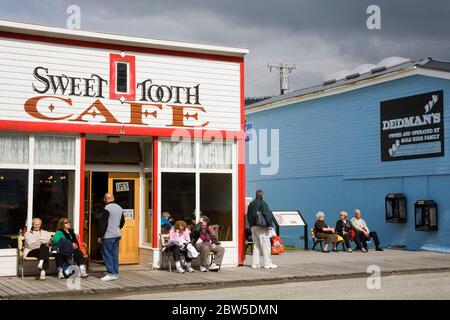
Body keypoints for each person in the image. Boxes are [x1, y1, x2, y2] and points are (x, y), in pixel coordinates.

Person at [97, 192, 125, 281]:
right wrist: (116, 228)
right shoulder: (119, 208)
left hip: (109, 235)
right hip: (117, 234)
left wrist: (100, 235)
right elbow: (122, 222)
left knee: (107, 254)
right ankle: (115, 273)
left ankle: (111, 273)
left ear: (105, 199)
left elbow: (103, 223)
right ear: (113, 198)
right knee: (114, 254)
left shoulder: (107, 208)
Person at [246, 189, 277, 269]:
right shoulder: (263, 203)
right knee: (266, 245)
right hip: (261, 227)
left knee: (256, 246)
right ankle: (268, 264)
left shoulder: (251, 204)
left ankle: (255, 264)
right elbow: (266, 214)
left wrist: (251, 225)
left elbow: (248, 216)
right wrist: (269, 224)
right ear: (262, 195)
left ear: (256, 195)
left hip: (253, 227)